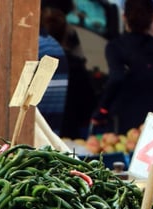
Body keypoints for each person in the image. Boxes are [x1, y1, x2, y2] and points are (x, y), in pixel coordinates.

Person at [0, 0, 69, 135]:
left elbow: (6, 96)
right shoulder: (51, 45)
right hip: (41, 140)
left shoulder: (29, 49)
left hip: (27, 142)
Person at [91, 0, 153, 134]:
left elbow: (116, 77)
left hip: (125, 125)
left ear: (124, 16)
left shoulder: (116, 47)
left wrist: (101, 111)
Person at [41, 0, 98, 138]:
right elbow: (88, 108)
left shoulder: (35, 60)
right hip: (68, 138)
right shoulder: (75, 67)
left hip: (40, 134)